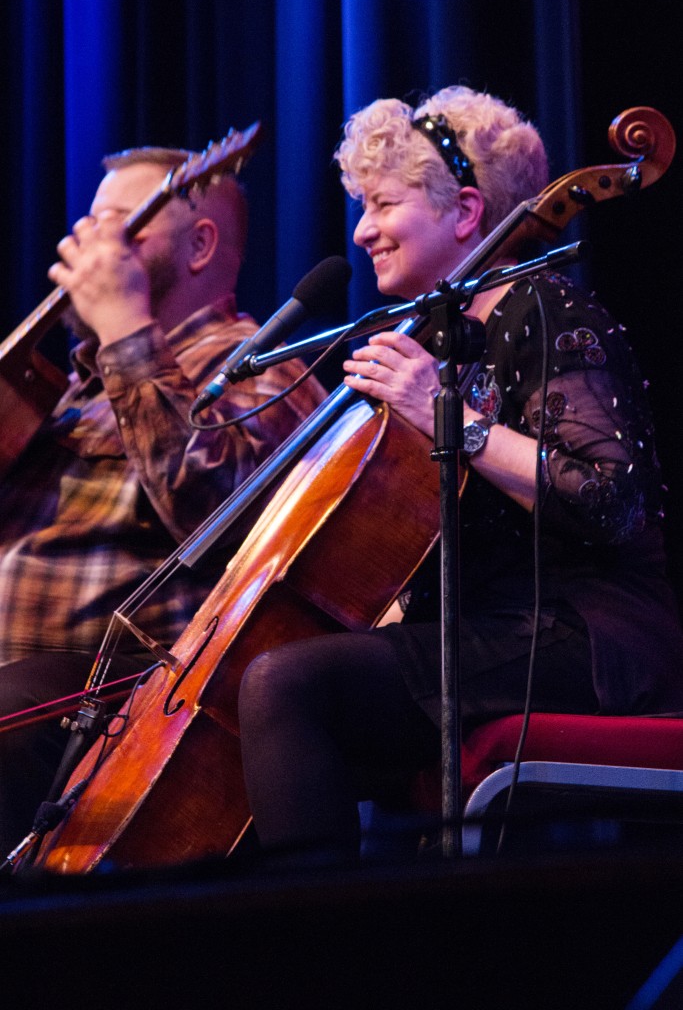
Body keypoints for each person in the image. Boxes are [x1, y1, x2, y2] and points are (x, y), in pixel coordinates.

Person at [237, 85, 683, 868]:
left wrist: (446, 418)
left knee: (287, 688)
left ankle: (317, 953)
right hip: (493, 632)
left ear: (467, 211)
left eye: (382, 204)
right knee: (274, 703)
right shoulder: (445, 338)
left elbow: (610, 501)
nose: (362, 230)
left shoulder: (545, 309)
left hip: (585, 638)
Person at [0, 145, 327, 855]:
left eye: (117, 226)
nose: (84, 248)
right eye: (85, 227)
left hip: (116, 696)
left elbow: (216, 512)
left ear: (200, 245)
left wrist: (123, 333)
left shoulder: (262, 369)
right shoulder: (62, 397)